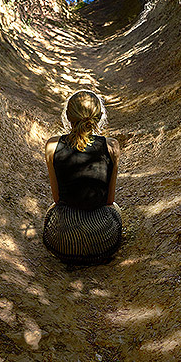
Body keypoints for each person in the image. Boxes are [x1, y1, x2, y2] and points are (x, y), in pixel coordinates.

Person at [42, 90, 122, 265]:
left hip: (62, 243)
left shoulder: (52, 145)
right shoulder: (111, 146)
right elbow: (109, 200)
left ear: (69, 116)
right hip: (103, 240)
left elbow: (57, 199)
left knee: (51, 210)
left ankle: (72, 252)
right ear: (99, 117)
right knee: (116, 209)